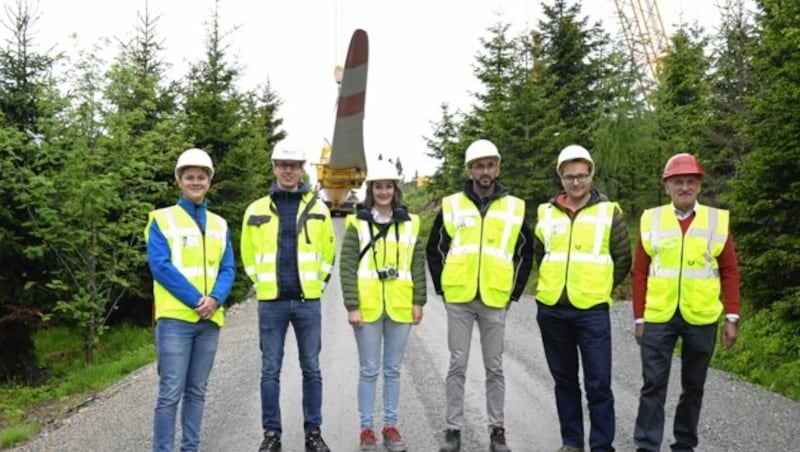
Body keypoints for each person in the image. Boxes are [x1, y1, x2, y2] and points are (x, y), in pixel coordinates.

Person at [426, 139, 534, 452]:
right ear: (470, 170)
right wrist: (443, 290)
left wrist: (512, 295)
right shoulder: (452, 204)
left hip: (494, 299)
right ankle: (453, 429)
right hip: (459, 298)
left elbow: (525, 253)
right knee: (457, 364)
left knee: (495, 368)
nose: (485, 171)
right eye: (478, 165)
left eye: (490, 165)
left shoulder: (514, 206)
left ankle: (497, 432)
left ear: (498, 168)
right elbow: (435, 249)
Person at [632, 153, 740, 452]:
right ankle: (646, 444)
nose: (684, 187)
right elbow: (639, 271)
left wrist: (732, 316)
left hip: (701, 316)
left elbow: (730, 271)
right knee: (653, 384)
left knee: (693, 386)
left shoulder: (716, 221)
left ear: (699, 186)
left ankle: (684, 444)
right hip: (658, 315)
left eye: (691, 182)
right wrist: (639, 317)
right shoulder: (651, 219)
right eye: (678, 182)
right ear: (667, 186)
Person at [533, 145, 632, 452]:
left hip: (592, 310)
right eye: (569, 177)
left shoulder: (609, 212)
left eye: (581, 176)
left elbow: (622, 259)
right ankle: (572, 442)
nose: (576, 183)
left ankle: (602, 445)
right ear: (560, 178)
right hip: (552, 310)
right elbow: (541, 254)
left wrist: (600, 287)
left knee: (598, 383)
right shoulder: (545, 212)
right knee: (564, 381)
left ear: (591, 175)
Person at [240, 140, 337, 452]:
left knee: (311, 368)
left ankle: (314, 433)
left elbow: (328, 252)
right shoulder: (255, 210)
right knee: (270, 370)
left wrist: (319, 283)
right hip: (272, 302)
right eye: (282, 164)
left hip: (308, 302)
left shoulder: (318, 209)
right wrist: (260, 283)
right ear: (274, 168)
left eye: (293, 166)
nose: (288, 170)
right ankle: (272, 435)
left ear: (301, 170)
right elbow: (247, 254)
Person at [145, 148, 236, 452]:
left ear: (209, 181)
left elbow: (228, 268)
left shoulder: (220, 224)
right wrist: (199, 300)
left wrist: (216, 299)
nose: (195, 182)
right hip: (176, 321)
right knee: (170, 394)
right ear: (179, 181)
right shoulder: (162, 220)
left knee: (197, 392)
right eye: (189, 177)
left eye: (201, 177)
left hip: (210, 320)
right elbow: (161, 267)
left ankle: (190, 448)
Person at [339, 160, 427, 452]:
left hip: (400, 305)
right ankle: (367, 429)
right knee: (369, 370)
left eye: (389, 186)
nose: (384, 191)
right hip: (367, 307)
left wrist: (419, 301)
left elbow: (417, 264)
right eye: (379, 186)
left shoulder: (411, 222)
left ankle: (390, 426)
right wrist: (352, 305)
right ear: (371, 189)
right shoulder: (357, 223)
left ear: (395, 189)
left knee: (392, 370)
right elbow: (348, 266)